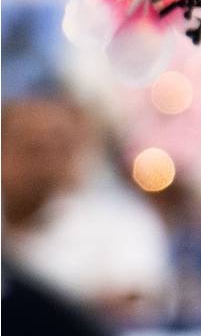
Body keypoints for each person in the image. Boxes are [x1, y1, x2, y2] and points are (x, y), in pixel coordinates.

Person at [0, 88, 170, 322]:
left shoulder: (123, 222)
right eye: (29, 147)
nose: (44, 163)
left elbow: (134, 304)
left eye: (58, 146)